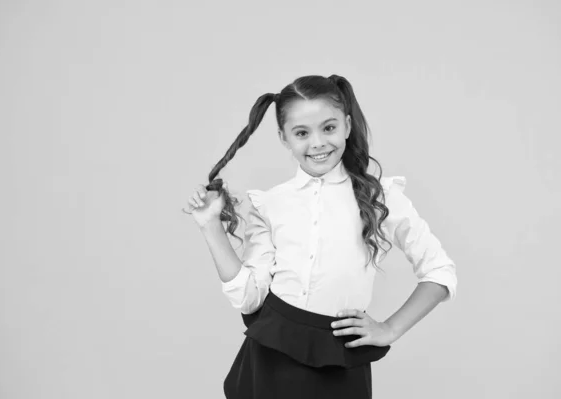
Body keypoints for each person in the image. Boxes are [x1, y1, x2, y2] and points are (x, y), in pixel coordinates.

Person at [183, 74, 457, 399]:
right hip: (270, 358)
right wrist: (210, 225)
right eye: (302, 133)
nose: (317, 143)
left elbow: (440, 271)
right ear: (284, 138)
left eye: (328, 128)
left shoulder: (380, 198)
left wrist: (390, 329)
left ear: (348, 125)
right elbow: (248, 298)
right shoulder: (270, 204)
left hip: (339, 362)